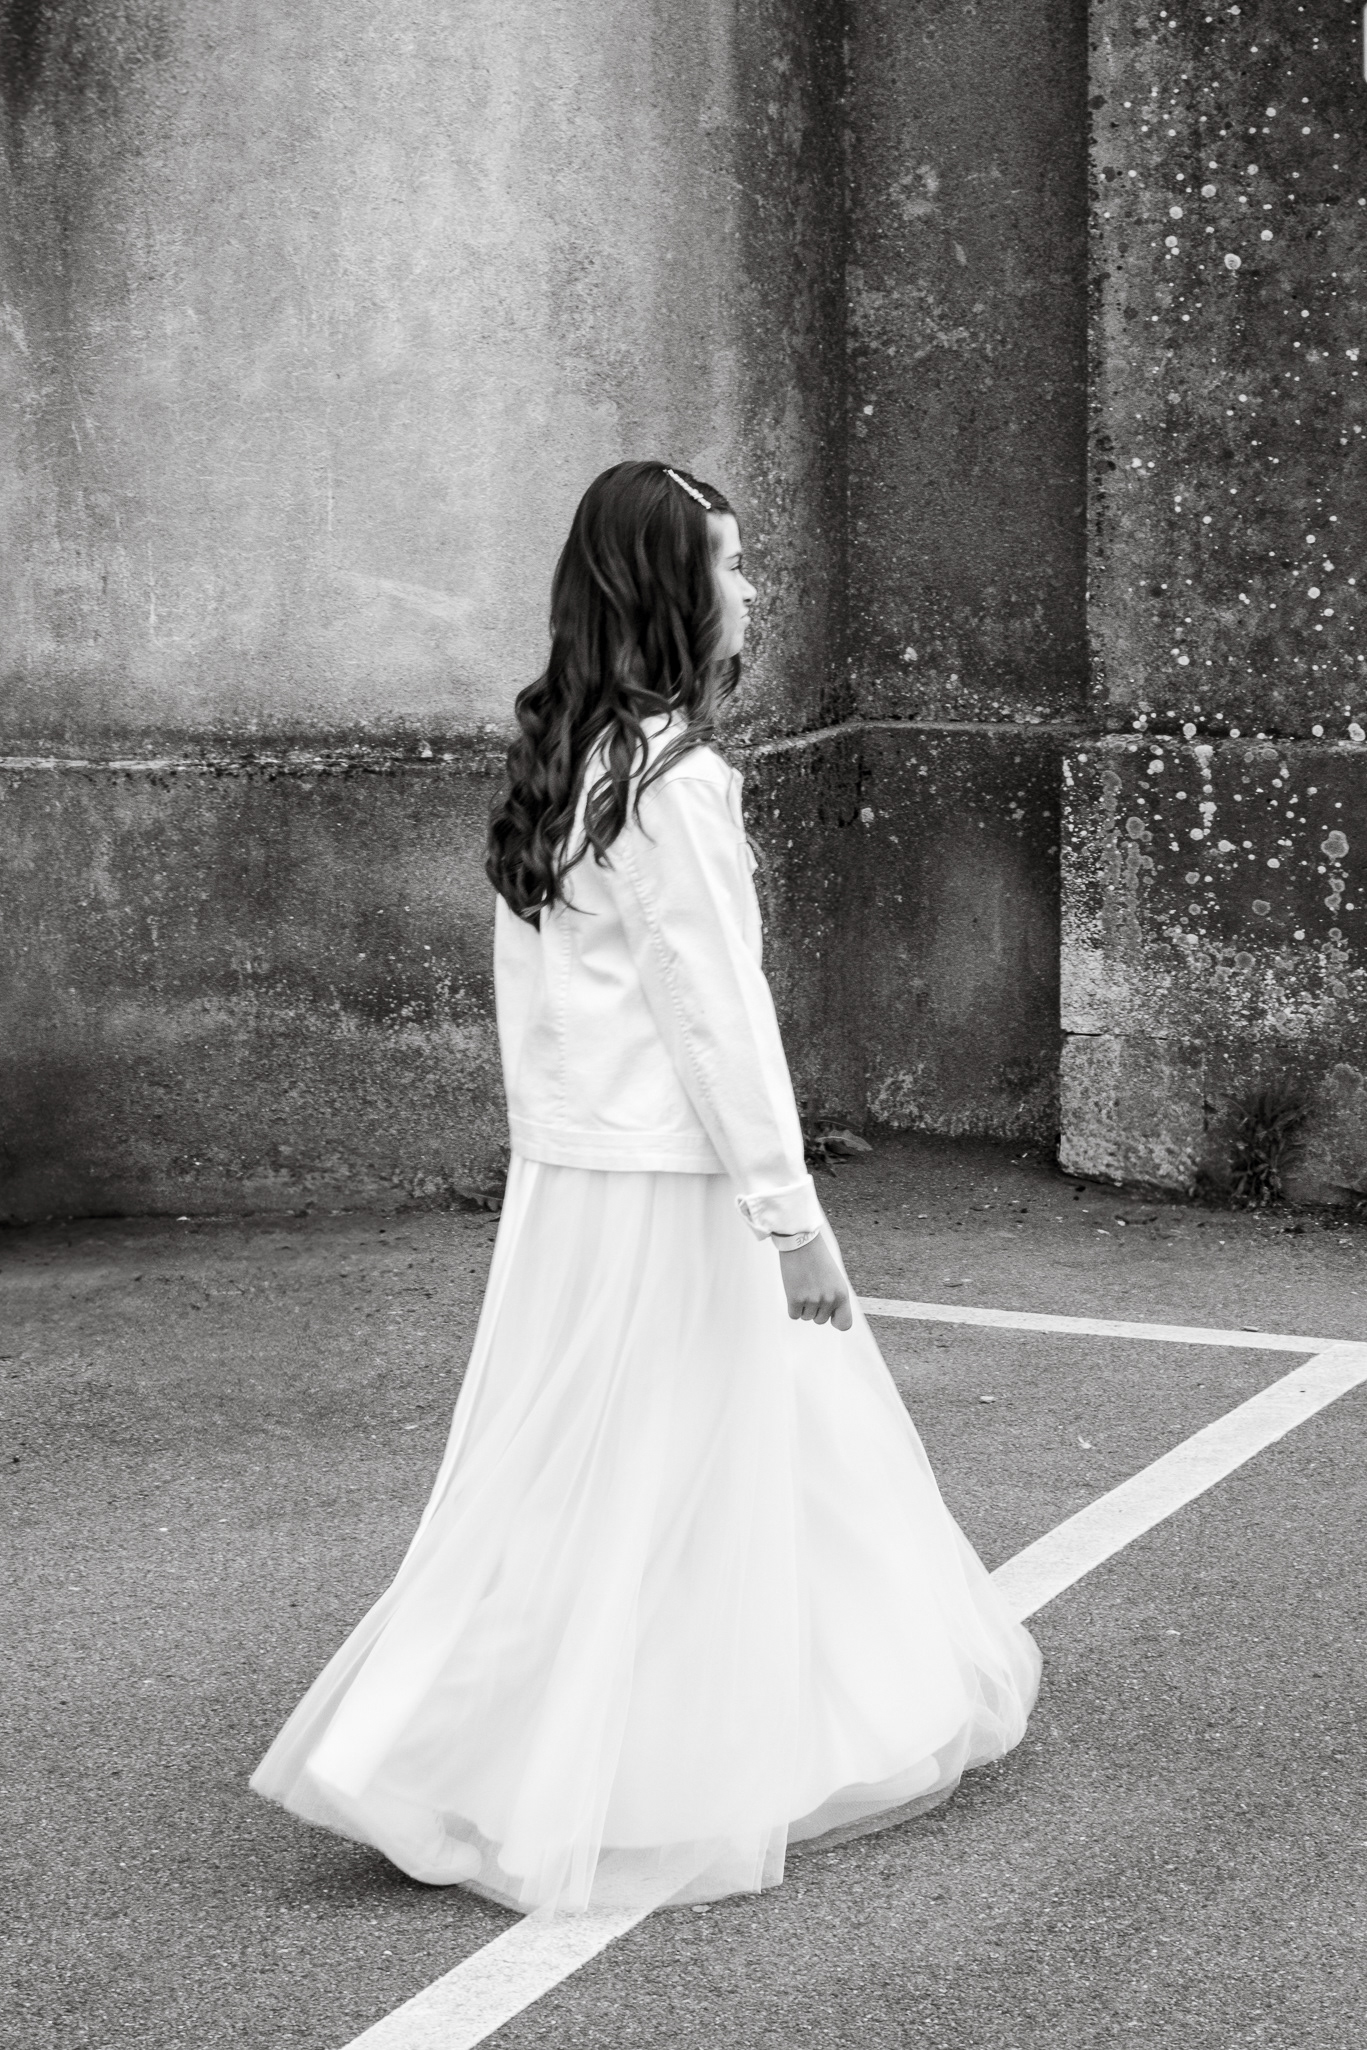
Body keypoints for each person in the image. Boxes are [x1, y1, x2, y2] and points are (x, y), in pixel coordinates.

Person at [250, 460, 1041, 1919]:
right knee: (676, 1460)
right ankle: (607, 1760)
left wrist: (570, 1149)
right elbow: (719, 1016)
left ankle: (536, 1736)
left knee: (596, 1463)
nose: (752, 588)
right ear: (671, 593)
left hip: (579, 1177)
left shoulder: (572, 764)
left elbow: (557, 1010)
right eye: (730, 563)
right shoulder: (675, 785)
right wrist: (790, 1218)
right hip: (674, 1186)